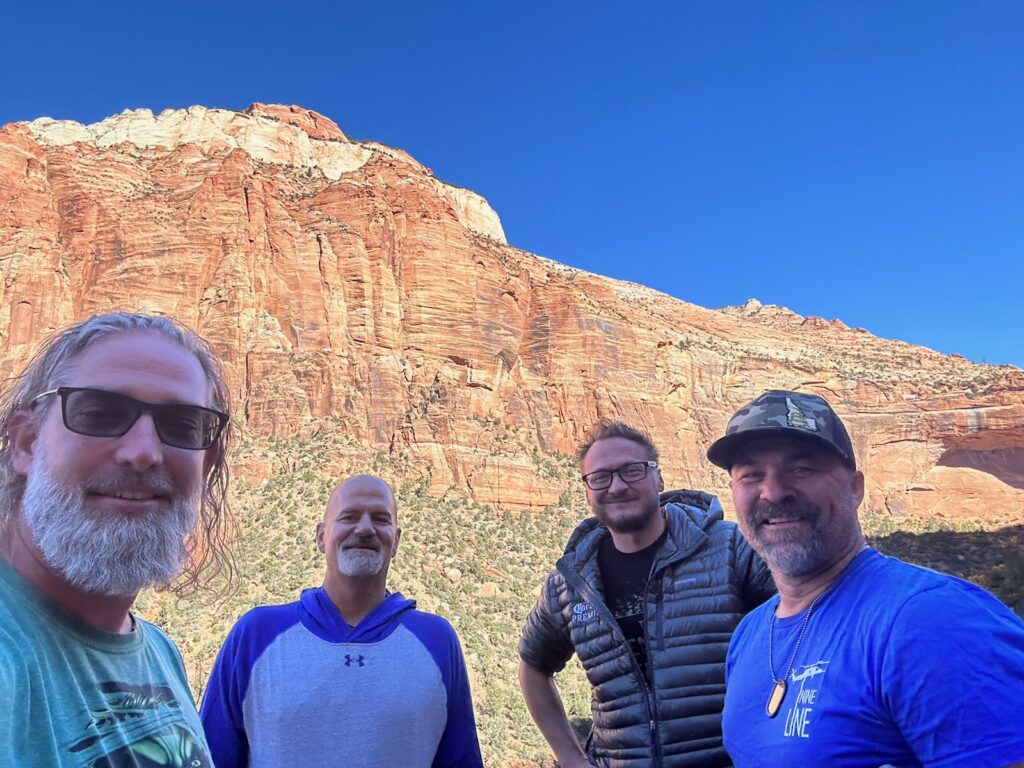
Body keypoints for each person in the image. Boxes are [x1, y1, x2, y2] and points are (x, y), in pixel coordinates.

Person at [707, 389, 1024, 768]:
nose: (773, 492)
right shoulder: (750, 633)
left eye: (801, 468)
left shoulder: (932, 619)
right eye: (751, 474)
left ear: (855, 488)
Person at [0, 312, 233, 767]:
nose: (143, 452)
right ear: (26, 442)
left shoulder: (158, 651)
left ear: (206, 463)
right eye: (100, 413)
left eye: (182, 424)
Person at [518, 420, 775, 767]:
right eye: (601, 477)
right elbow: (533, 664)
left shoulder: (730, 549)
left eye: (632, 471)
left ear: (659, 479)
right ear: (587, 490)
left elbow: (808, 616)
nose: (617, 486)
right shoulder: (571, 582)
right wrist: (570, 757)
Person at [200, 474, 484, 767]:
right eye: (349, 517)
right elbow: (209, 757)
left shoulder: (436, 641)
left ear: (396, 541)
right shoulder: (256, 635)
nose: (365, 528)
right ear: (322, 536)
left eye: (380, 519)